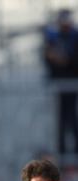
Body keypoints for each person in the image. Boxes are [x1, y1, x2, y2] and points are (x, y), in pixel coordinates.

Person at [44, 10, 78, 157]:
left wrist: (65, 61)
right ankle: (62, 152)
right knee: (61, 120)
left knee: (70, 118)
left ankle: (72, 153)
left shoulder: (74, 37)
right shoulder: (55, 38)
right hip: (59, 83)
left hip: (71, 83)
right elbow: (49, 59)